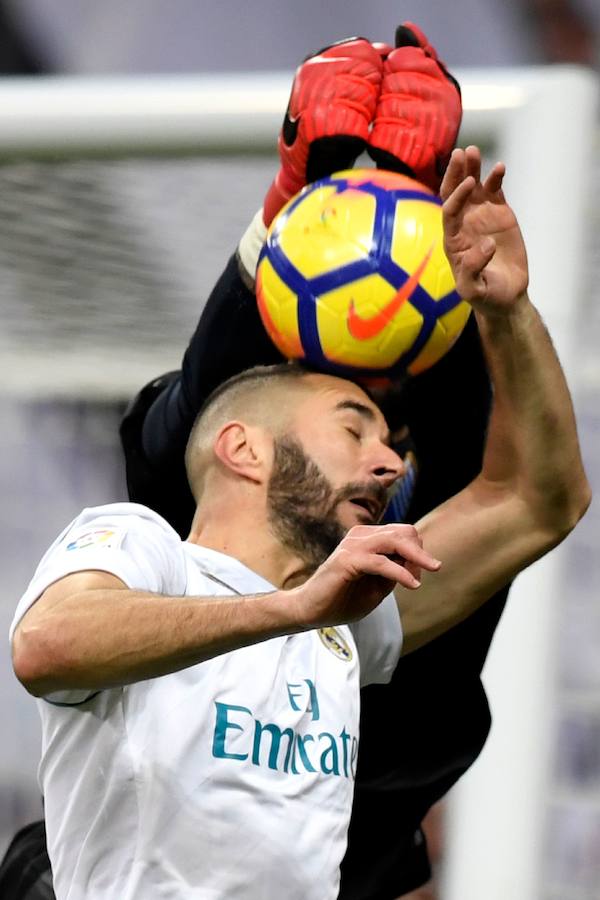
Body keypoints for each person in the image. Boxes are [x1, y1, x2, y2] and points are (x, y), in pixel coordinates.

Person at [10, 143, 591, 900]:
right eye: (354, 430)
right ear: (243, 449)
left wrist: (505, 312)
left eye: (389, 443)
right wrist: (294, 609)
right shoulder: (146, 548)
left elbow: (539, 500)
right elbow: (46, 646)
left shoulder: (342, 623)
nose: (390, 464)